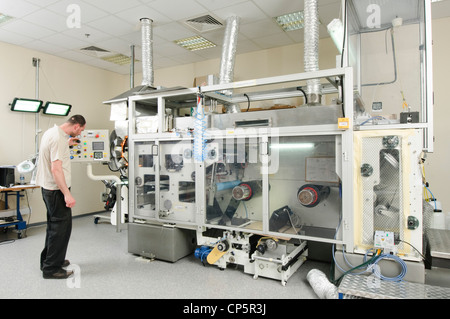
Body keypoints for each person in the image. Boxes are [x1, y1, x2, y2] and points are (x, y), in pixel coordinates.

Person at [35, 115, 86, 279]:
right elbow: (56, 170)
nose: (79, 135)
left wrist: (67, 144)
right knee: (61, 230)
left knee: (53, 227)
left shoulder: (53, 133)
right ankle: (51, 269)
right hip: (57, 190)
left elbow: (54, 153)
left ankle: (48, 260)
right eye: (81, 131)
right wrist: (67, 194)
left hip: (48, 188)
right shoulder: (58, 138)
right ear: (77, 126)